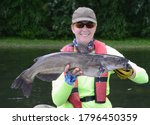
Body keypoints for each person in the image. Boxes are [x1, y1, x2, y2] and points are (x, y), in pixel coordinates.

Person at [51, 7, 149, 108]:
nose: (85, 29)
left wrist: (131, 72)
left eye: (90, 25)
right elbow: (57, 101)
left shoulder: (108, 53)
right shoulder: (61, 57)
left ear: (95, 27)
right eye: (80, 25)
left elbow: (144, 78)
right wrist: (68, 82)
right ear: (73, 28)